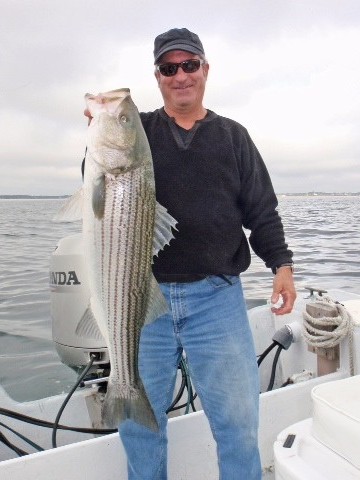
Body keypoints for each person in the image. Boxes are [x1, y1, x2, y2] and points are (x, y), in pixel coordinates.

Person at [86, 27, 296, 480]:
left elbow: (262, 209)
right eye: (168, 68)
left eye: (189, 65)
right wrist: (99, 130)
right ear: (158, 76)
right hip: (142, 298)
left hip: (216, 299)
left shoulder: (233, 137)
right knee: (140, 426)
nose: (180, 76)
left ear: (204, 69)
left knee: (238, 423)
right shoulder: (138, 131)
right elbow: (98, 182)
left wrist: (282, 265)